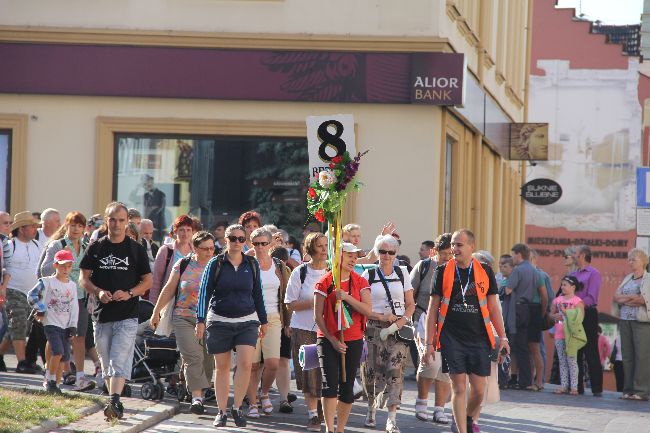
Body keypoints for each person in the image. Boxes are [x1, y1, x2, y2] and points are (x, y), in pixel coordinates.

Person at [423, 229, 509, 433]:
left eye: (459, 245)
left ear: (472, 246)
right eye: (453, 244)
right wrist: (428, 343)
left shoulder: (485, 271)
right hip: (451, 337)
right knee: (459, 387)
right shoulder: (442, 271)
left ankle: (466, 418)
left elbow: (493, 308)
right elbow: (432, 308)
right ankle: (461, 429)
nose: (454, 249)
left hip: (479, 338)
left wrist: (503, 337)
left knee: (479, 391)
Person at [80, 202, 152, 421]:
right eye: (113, 219)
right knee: (105, 358)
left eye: (121, 220)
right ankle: (114, 398)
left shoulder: (135, 248)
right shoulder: (96, 247)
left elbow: (147, 281)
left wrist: (130, 293)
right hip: (101, 314)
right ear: (106, 220)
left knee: (118, 358)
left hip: (128, 313)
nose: (117, 224)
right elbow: (83, 278)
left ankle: (114, 401)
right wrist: (98, 292)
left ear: (127, 222)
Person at [196, 224, 268, 429]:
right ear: (225, 240)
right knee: (223, 367)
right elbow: (204, 293)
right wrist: (200, 320)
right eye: (233, 238)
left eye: (241, 239)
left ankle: (237, 408)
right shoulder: (215, 263)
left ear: (245, 242)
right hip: (219, 321)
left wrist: (263, 321)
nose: (237, 242)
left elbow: (258, 295)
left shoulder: (251, 263)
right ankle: (222, 411)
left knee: (246, 364)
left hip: (247, 321)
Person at [150, 231, 216, 414]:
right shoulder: (184, 264)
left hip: (210, 319)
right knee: (192, 356)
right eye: (205, 249)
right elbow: (170, 288)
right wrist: (156, 312)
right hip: (183, 316)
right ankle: (197, 398)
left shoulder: (217, 266)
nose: (210, 252)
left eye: (212, 248)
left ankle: (198, 389)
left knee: (208, 359)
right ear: (195, 248)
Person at [314, 242, 372, 433]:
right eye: (349, 256)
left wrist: (347, 297)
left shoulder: (361, 281)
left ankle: (340, 429)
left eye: (355, 256)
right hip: (328, 339)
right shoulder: (325, 281)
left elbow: (367, 310)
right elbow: (318, 316)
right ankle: (330, 429)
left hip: (353, 339)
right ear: (338, 257)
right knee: (330, 385)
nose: (353, 260)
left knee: (347, 388)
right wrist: (332, 340)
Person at [360, 235, 415, 433]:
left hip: (398, 329)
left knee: (395, 370)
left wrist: (399, 323)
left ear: (396, 254)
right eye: (382, 251)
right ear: (377, 253)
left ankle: (391, 419)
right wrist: (381, 318)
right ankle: (371, 409)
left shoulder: (402, 273)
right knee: (373, 372)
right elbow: (363, 306)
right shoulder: (369, 275)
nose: (386, 256)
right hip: (374, 327)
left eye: (391, 252)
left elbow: (410, 304)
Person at [39, 211, 95, 392]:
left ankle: (80, 378)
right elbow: (43, 270)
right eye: (73, 225)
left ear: (84, 228)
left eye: (80, 226)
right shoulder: (58, 244)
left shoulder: (87, 245)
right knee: (55, 336)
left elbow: (90, 271)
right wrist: (61, 264)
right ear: (66, 226)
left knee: (80, 337)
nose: (76, 229)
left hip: (79, 297)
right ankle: (50, 376)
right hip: (57, 298)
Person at [245, 227, 291, 417]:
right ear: (251, 244)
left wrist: (287, 322)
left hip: (273, 318)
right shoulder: (247, 264)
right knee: (252, 365)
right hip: (250, 318)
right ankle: (253, 402)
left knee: (272, 363)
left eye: (264, 243)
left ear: (271, 244)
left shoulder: (279, 266)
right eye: (256, 244)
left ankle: (264, 393)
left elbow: (287, 295)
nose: (260, 247)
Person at [284, 232, 328, 431]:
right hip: (304, 330)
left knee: (325, 374)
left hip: (328, 331)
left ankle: (322, 410)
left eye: (326, 246)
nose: (324, 250)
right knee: (309, 372)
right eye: (320, 246)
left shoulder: (332, 273)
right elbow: (290, 304)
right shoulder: (300, 272)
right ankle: (312, 414)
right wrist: (314, 302)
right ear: (311, 249)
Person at [28, 250, 79, 394]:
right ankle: (50, 379)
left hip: (65, 324)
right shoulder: (47, 281)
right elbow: (31, 295)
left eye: (69, 266)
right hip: (51, 322)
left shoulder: (73, 286)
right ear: (55, 265)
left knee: (64, 357)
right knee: (57, 351)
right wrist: (41, 308)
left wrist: (73, 326)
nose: (65, 269)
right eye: (62, 265)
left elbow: (74, 307)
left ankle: (56, 384)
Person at [2, 211, 42, 373]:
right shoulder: (10, 245)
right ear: (21, 229)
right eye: (32, 226)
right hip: (13, 290)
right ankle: (22, 362)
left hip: (32, 294)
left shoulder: (38, 246)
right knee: (18, 324)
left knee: (21, 328)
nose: (35, 229)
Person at [612, 248, 650, 401]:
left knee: (642, 356)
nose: (630, 262)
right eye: (629, 259)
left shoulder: (648, 279)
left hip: (641, 320)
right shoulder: (628, 278)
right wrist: (631, 298)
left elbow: (643, 300)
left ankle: (641, 390)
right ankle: (628, 389)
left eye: (633, 259)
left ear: (643, 261)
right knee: (627, 356)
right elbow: (616, 297)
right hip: (625, 319)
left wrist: (626, 298)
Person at [502, 243, 539, 390]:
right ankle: (526, 380)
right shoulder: (533, 270)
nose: (512, 258)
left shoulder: (518, 270)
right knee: (524, 346)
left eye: (512, 255)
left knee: (517, 345)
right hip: (528, 308)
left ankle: (521, 380)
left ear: (518, 254)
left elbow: (508, 290)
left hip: (516, 309)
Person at [570, 245, 603, 396]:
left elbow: (592, 297)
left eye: (575, 254)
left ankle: (597, 388)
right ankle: (577, 387)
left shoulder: (594, 273)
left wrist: (575, 303)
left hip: (588, 314)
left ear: (582, 255)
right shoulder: (573, 274)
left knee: (591, 350)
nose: (573, 256)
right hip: (574, 314)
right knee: (576, 350)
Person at [549, 275, 584, 395]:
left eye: (565, 285)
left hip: (571, 335)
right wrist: (555, 316)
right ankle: (564, 385)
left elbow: (580, 317)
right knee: (562, 360)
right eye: (562, 285)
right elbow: (550, 314)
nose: (562, 287)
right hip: (559, 333)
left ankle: (574, 387)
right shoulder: (557, 300)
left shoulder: (577, 301)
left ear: (573, 287)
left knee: (572, 360)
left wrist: (567, 313)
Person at [149, 215, 194, 304]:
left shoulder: (196, 251)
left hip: (190, 305)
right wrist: (153, 306)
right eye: (182, 230)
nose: (185, 234)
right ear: (175, 231)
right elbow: (156, 281)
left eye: (188, 230)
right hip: (167, 304)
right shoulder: (166, 251)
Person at [143, 175, 166, 243]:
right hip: (147, 224)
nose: (147, 185)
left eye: (149, 183)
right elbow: (145, 208)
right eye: (146, 184)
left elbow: (160, 208)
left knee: (157, 244)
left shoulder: (161, 194)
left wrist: (150, 211)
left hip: (158, 225)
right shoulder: (146, 196)